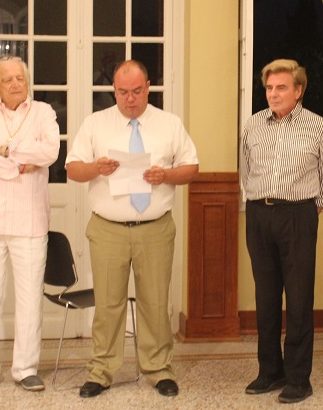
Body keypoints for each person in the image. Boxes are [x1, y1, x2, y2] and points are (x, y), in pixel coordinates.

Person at [66, 59, 199, 399]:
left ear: (148, 88)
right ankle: (101, 371)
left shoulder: (169, 124)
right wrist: (96, 168)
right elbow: (73, 168)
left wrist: (165, 175)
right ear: (114, 90)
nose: (130, 99)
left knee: (155, 303)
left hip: (155, 228)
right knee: (108, 304)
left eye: (137, 91)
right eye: (123, 92)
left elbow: (191, 168)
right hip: (108, 229)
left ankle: (159, 369)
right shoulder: (96, 123)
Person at [241, 59, 323, 404]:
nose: (273, 94)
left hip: (298, 215)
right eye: (269, 88)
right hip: (259, 214)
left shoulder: (317, 126)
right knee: (265, 298)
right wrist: (258, 201)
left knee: (298, 299)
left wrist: (308, 211)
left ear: (298, 90)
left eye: (281, 87)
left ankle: (298, 378)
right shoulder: (253, 124)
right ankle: (270, 371)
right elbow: (245, 169)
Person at [0, 56, 60, 393]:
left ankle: (26, 368)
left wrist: (3, 152)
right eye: (8, 80)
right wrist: (18, 163)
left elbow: (50, 152)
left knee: (29, 298)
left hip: (30, 220)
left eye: (20, 78)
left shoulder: (43, 113)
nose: (16, 84)